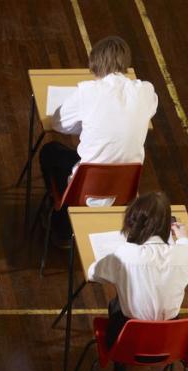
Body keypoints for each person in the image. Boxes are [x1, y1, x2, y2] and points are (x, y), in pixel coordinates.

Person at [42, 35, 157, 228]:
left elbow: (57, 123)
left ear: (95, 62)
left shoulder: (88, 91)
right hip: (125, 188)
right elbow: (150, 109)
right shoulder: (145, 91)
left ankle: (61, 223)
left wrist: (85, 125)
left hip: (86, 188)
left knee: (50, 151)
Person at [87, 192, 188, 349]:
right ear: (168, 225)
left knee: (116, 304)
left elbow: (92, 273)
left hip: (126, 343)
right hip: (169, 343)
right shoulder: (184, 254)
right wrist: (183, 239)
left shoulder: (124, 254)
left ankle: (118, 370)